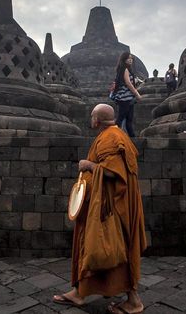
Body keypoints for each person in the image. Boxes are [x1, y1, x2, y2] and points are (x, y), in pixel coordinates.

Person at [53, 104, 147, 314]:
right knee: (96, 245)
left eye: (92, 115)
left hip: (113, 207)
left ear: (98, 119)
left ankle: (134, 301)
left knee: (115, 247)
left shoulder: (110, 138)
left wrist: (89, 166)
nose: (90, 118)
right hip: (107, 204)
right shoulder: (113, 134)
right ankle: (79, 292)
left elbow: (115, 172)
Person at [112, 52, 142, 138]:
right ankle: (113, 136)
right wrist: (137, 95)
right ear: (124, 59)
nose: (130, 59)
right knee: (120, 118)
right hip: (124, 98)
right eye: (128, 58)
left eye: (131, 58)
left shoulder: (126, 69)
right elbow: (128, 83)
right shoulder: (124, 69)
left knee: (129, 119)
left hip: (128, 98)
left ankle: (132, 138)